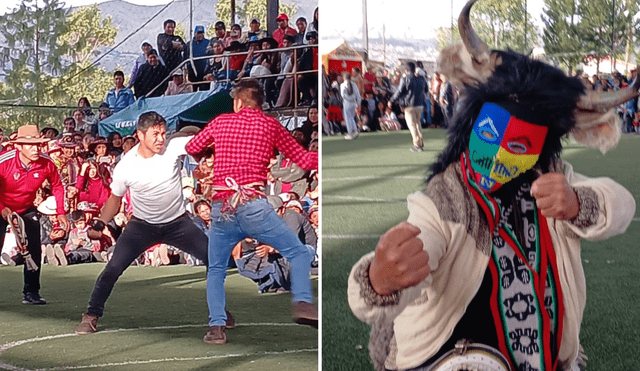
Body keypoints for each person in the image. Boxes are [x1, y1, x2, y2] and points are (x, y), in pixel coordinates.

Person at [347, 3, 639, 370]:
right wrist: (378, 280)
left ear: (538, 151)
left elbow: (622, 205)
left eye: (518, 146)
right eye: (488, 134)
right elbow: (416, 249)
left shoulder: (551, 179)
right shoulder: (443, 200)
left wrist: (578, 203)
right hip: (451, 355)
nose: (498, 156)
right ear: (471, 126)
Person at [185, 79, 319, 345]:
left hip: (222, 206)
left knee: (216, 270)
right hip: (254, 204)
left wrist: (214, 149)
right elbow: (303, 160)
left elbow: (192, 147)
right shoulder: (271, 125)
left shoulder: (221, 122)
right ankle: (302, 302)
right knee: (298, 251)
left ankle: (217, 328)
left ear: (237, 102)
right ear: (260, 101)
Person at [74, 112, 218, 334]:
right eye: (155, 134)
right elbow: (114, 199)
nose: (161, 139)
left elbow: (203, 137)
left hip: (178, 224)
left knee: (214, 260)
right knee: (113, 268)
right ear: (140, 135)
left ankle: (219, 314)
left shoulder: (174, 146)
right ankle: (91, 315)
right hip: (142, 227)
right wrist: (101, 223)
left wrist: (197, 138)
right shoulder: (126, 166)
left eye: (163, 133)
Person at [0, 125, 69, 304]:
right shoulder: (4, 161)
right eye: (31, 145)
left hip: (25, 208)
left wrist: (61, 212)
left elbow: (58, 185)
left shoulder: (46, 163)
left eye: (38, 145)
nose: (36, 149)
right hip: (2, 206)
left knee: (33, 250)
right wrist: (3, 209)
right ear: (19, 146)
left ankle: (31, 293)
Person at [390, 61, 427, 152]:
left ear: (406, 70)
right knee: (418, 124)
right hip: (420, 105)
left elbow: (399, 92)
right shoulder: (422, 79)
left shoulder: (405, 78)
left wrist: (391, 100)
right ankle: (420, 142)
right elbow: (426, 90)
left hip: (409, 106)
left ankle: (417, 145)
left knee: (412, 125)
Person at [184, 25, 210, 91]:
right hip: (192, 72)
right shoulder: (189, 44)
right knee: (193, 91)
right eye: (198, 33)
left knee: (204, 91)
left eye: (201, 33)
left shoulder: (208, 43)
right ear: (195, 33)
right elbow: (185, 57)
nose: (200, 35)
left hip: (204, 72)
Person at [340, 71, 361, 140]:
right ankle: (355, 130)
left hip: (347, 103)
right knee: (351, 117)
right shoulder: (354, 84)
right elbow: (358, 95)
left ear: (344, 78)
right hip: (354, 102)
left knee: (348, 118)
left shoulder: (342, 85)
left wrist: (348, 99)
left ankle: (350, 133)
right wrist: (358, 103)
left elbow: (343, 95)